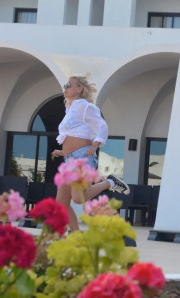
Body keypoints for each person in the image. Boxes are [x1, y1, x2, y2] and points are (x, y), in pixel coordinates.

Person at [51, 75, 130, 232]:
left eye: (69, 85)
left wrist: (95, 145)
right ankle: (76, 235)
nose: (65, 88)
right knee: (61, 201)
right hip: (69, 159)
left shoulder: (84, 106)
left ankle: (110, 182)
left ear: (80, 89)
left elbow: (102, 126)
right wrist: (63, 151)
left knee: (78, 198)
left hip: (82, 157)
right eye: (65, 85)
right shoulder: (70, 108)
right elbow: (75, 134)